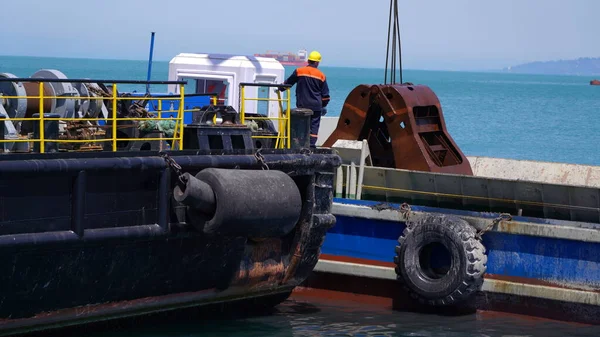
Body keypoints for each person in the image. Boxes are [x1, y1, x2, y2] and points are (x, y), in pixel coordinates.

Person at [279, 50, 330, 148]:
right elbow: (326, 96)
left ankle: (299, 144)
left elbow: (288, 83)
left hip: (302, 105)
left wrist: (280, 88)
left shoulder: (299, 71)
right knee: (314, 127)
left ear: (308, 61)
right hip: (316, 106)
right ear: (317, 62)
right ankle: (311, 145)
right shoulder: (321, 75)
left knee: (301, 125)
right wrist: (322, 105)